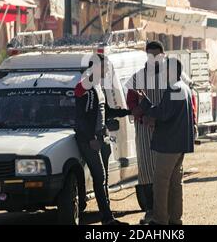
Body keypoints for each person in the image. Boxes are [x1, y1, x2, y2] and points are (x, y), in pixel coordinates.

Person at [137, 58, 195, 225]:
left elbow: (163, 114)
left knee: (161, 184)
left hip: (169, 145)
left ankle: (160, 219)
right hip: (179, 144)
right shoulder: (183, 88)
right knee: (175, 183)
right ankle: (175, 219)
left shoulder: (174, 89)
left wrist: (145, 104)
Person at [74, 54, 131, 225]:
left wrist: (127, 112)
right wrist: (91, 137)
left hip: (100, 137)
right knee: (99, 178)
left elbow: (105, 111)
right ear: (97, 67)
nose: (108, 70)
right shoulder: (85, 86)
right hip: (89, 140)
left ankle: (108, 217)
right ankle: (106, 218)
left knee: (103, 179)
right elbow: (80, 117)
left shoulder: (98, 86)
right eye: (105, 67)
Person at [126, 40, 168, 224]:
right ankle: (150, 210)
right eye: (150, 55)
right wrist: (144, 117)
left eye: (157, 55)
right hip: (145, 131)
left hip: (167, 130)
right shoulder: (137, 78)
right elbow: (132, 106)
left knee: (166, 173)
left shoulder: (171, 78)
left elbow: (178, 104)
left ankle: (166, 212)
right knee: (147, 172)